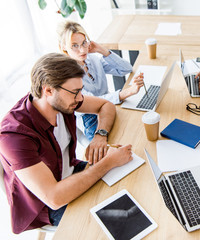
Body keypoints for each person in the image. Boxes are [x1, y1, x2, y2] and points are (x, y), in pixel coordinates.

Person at [0, 53, 134, 234]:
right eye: (75, 92)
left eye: (81, 90)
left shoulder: (62, 100)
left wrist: (100, 135)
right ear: (48, 90)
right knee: (119, 226)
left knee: (130, 185)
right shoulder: (14, 136)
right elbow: (54, 197)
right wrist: (108, 162)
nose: (80, 98)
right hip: (47, 206)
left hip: (71, 172)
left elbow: (105, 105)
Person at [58, 20, 144, 140]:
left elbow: (126, 69)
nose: (82, 50)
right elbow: (90, 102)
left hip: (109, 107)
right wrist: (125, 93)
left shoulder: (92, 60)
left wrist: (102, 50)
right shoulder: (66, 75)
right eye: (75, 46)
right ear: (63, 47)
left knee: (135, 128)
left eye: (84, 43)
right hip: (91, 118)